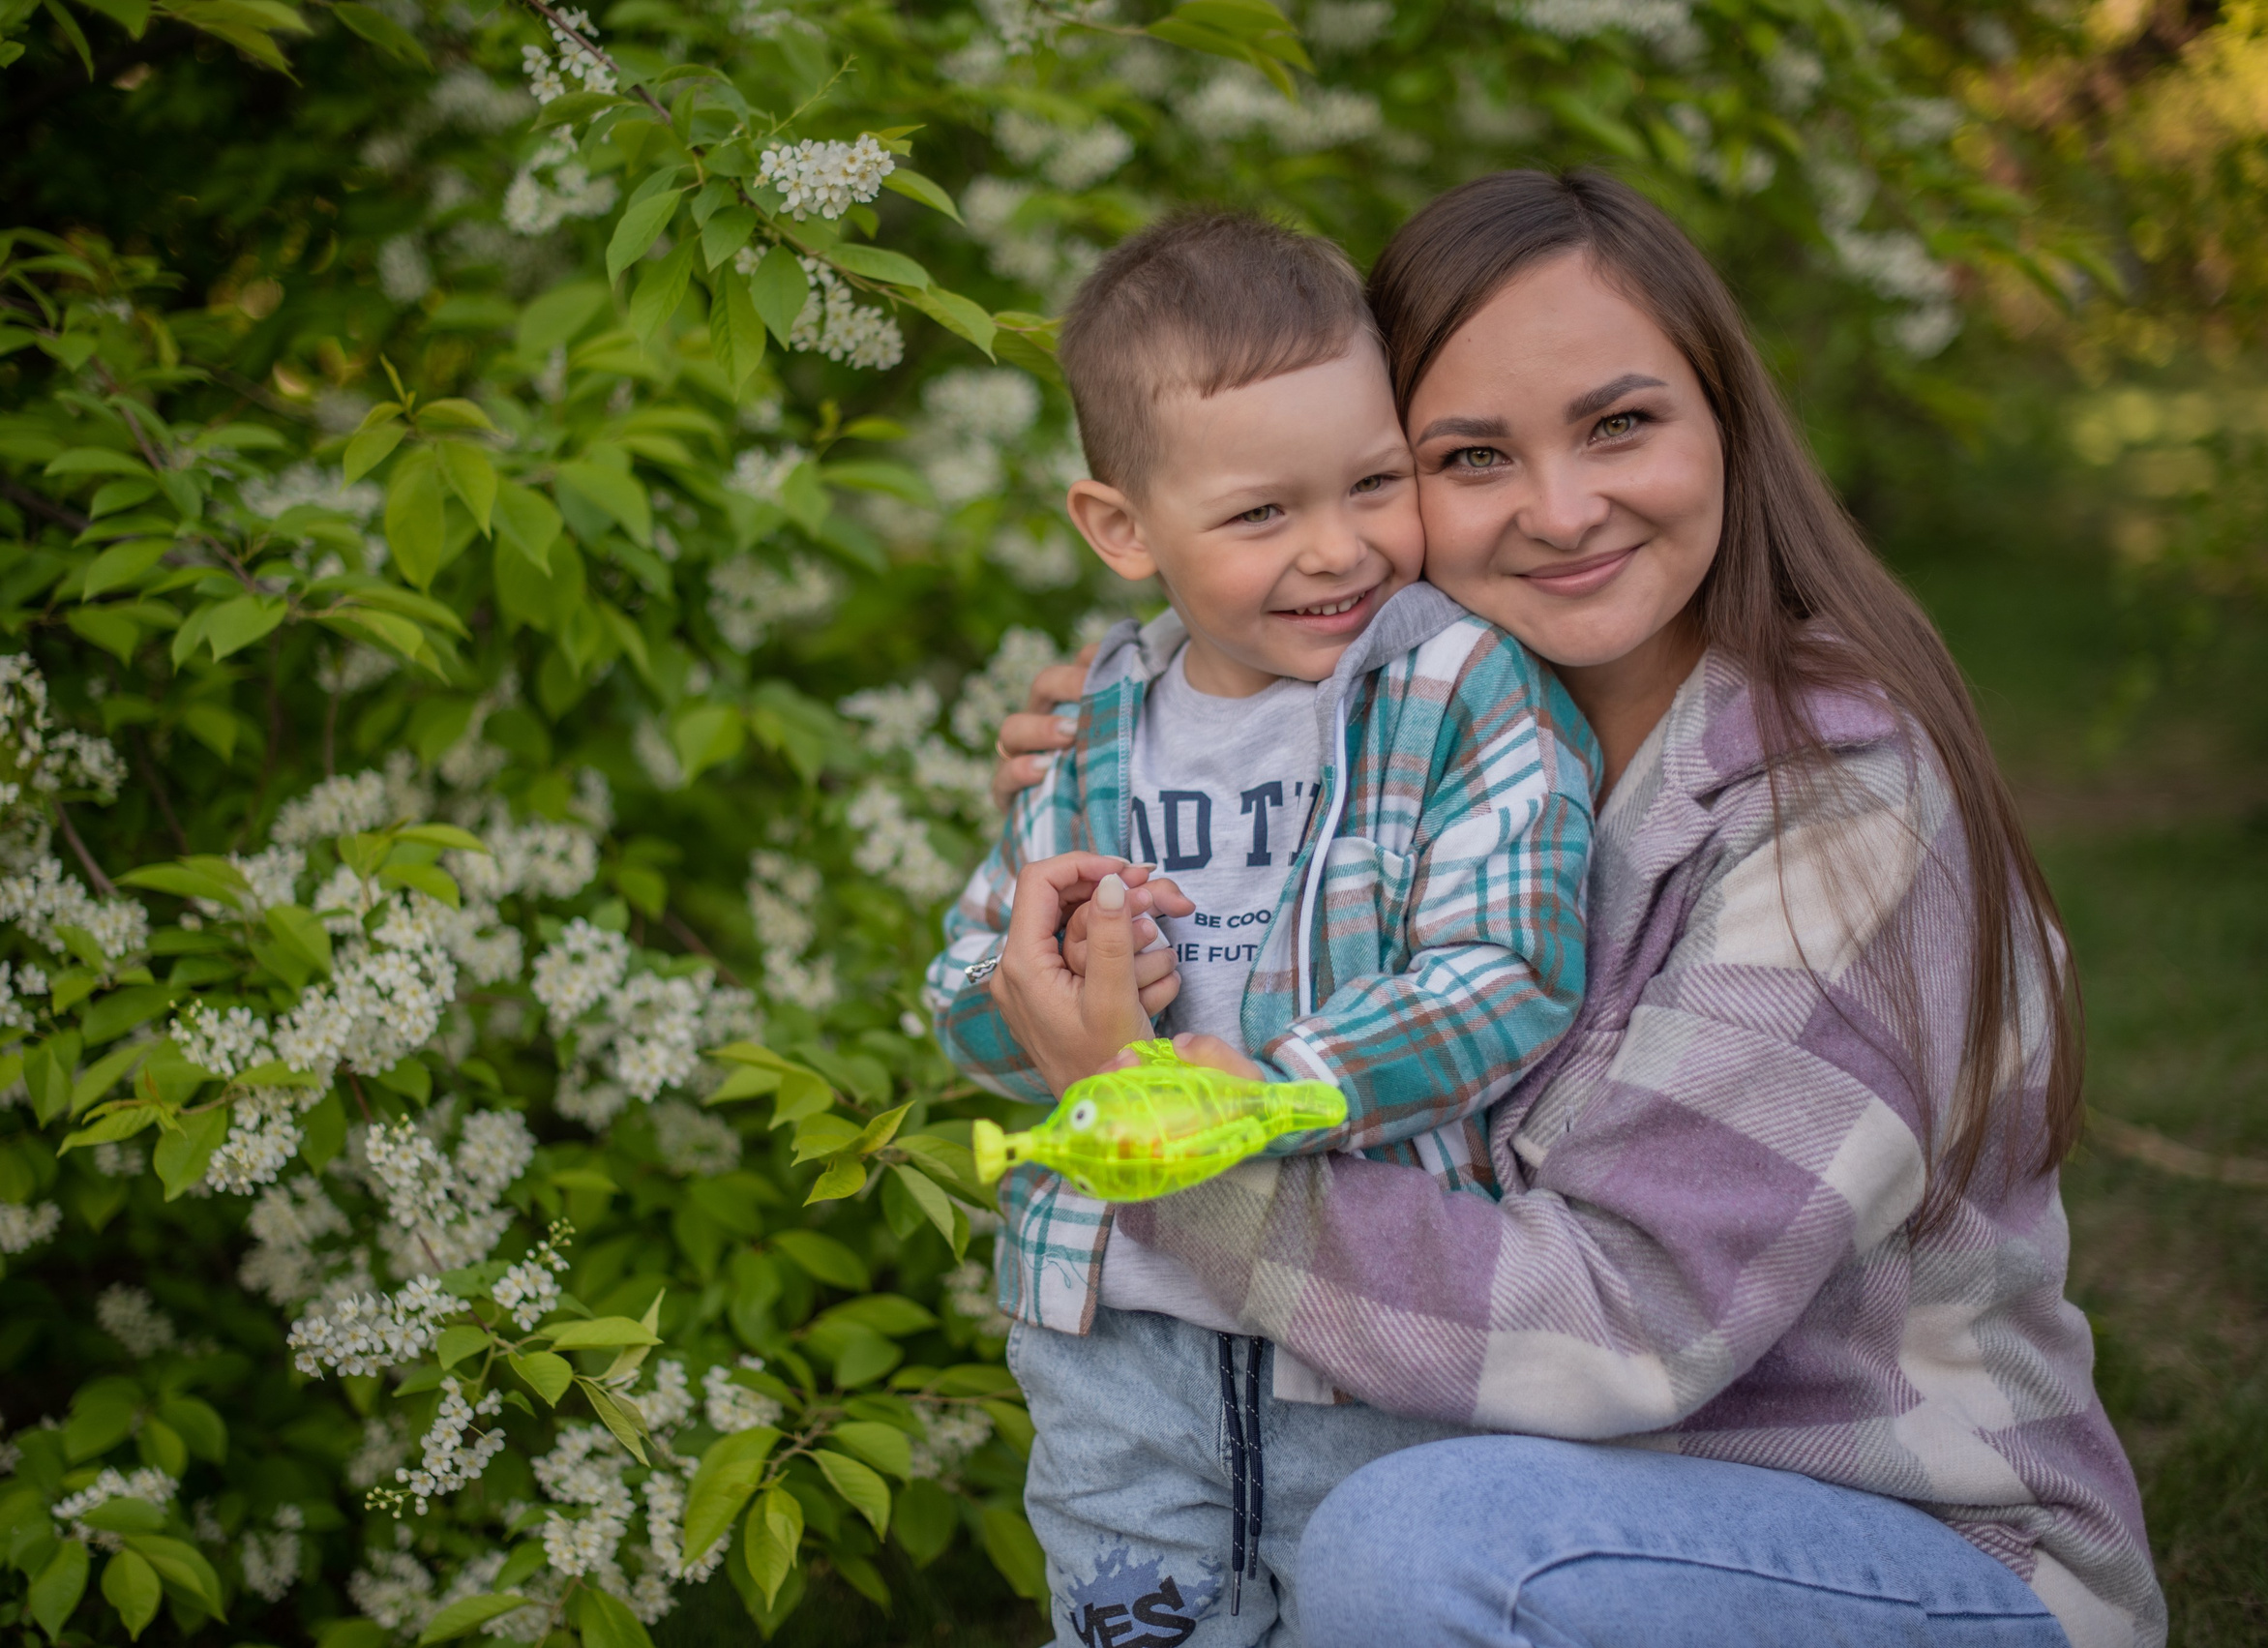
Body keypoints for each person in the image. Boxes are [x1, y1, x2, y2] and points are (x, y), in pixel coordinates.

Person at [982, 172, 2164, 1648]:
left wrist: (1166, 1146)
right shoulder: (1401, 758)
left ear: (1722, 416)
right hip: (1559, 1488)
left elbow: (1629, 1323)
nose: (1561, 508)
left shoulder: (1837, 809)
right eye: (1469, 454)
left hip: (1906, 1555)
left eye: (1620, 423)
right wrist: (1135, 765)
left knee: (1421, 1551)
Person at [923, 212, 1597, 1646]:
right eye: (1262, 513)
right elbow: (971, 989)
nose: (1340, 549)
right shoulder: (1095, 727)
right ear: (1121, 528)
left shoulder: (1456, 689)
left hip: (1359, 1333)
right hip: (1114, 1336)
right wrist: (1039, 995)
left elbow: (1509, 967)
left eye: (1373, 482)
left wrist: (1277, 1085)